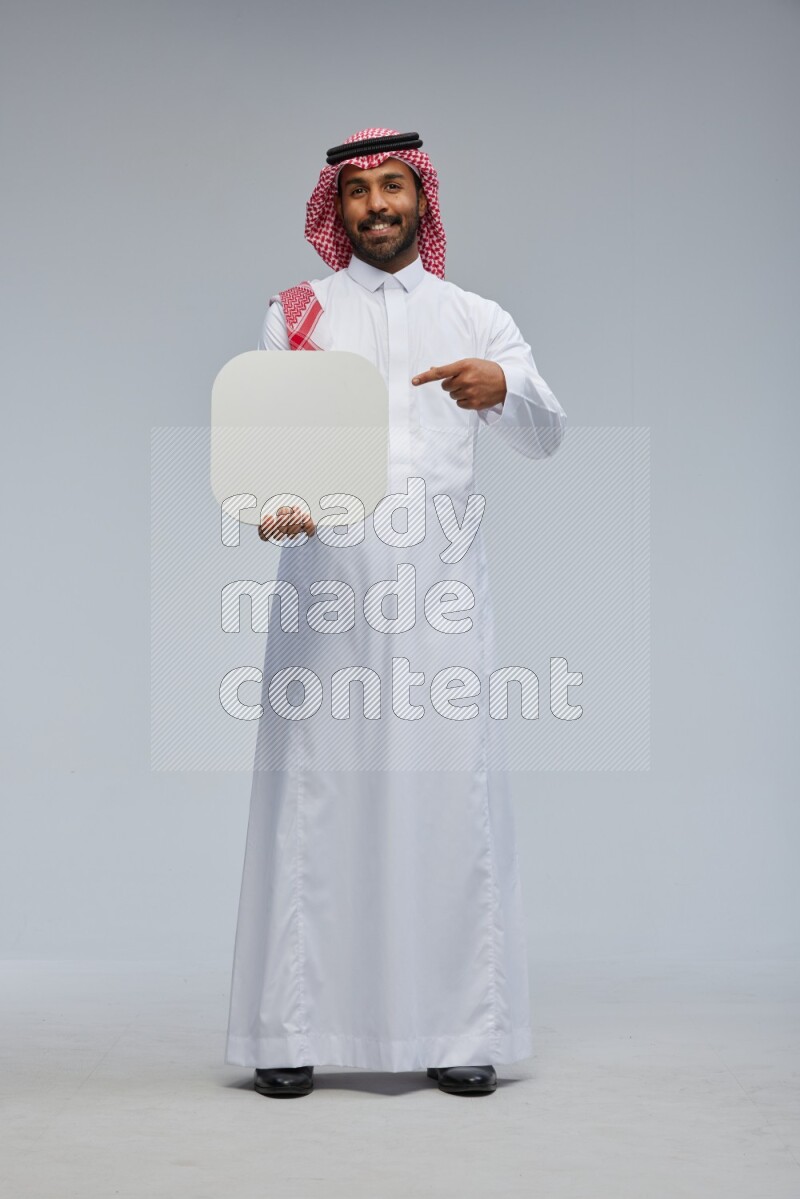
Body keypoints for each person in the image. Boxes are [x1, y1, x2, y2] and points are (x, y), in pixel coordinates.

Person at [225, 128, 567, 1097]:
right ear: (334, 212)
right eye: (358, 194)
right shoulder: (296, 315)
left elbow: (544, 431)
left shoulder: (475, 314)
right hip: (326, 588)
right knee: (313, 798)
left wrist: (500, 387)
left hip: (440, 600)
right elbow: (269, 454)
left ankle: (458, 1030)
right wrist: (275, 500)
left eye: (392, 189)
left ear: (421, 200)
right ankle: (288, 1027)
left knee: (443, 798)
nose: (377, 206)